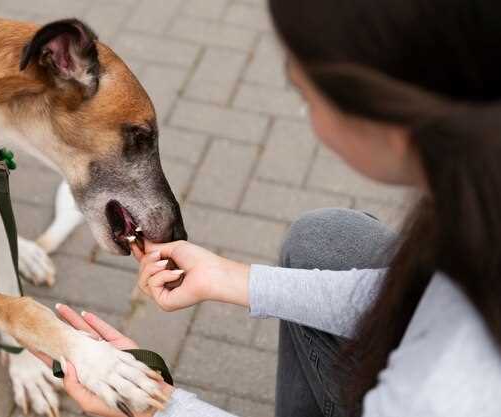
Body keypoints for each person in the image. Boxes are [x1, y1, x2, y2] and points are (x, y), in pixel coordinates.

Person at [42, 0, 501, 415]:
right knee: (325, 241)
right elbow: (416, 299)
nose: (305, 111)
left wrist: (158, 408)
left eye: (305, 96)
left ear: (383, 116)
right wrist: (233, 279)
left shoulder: (447, 390)